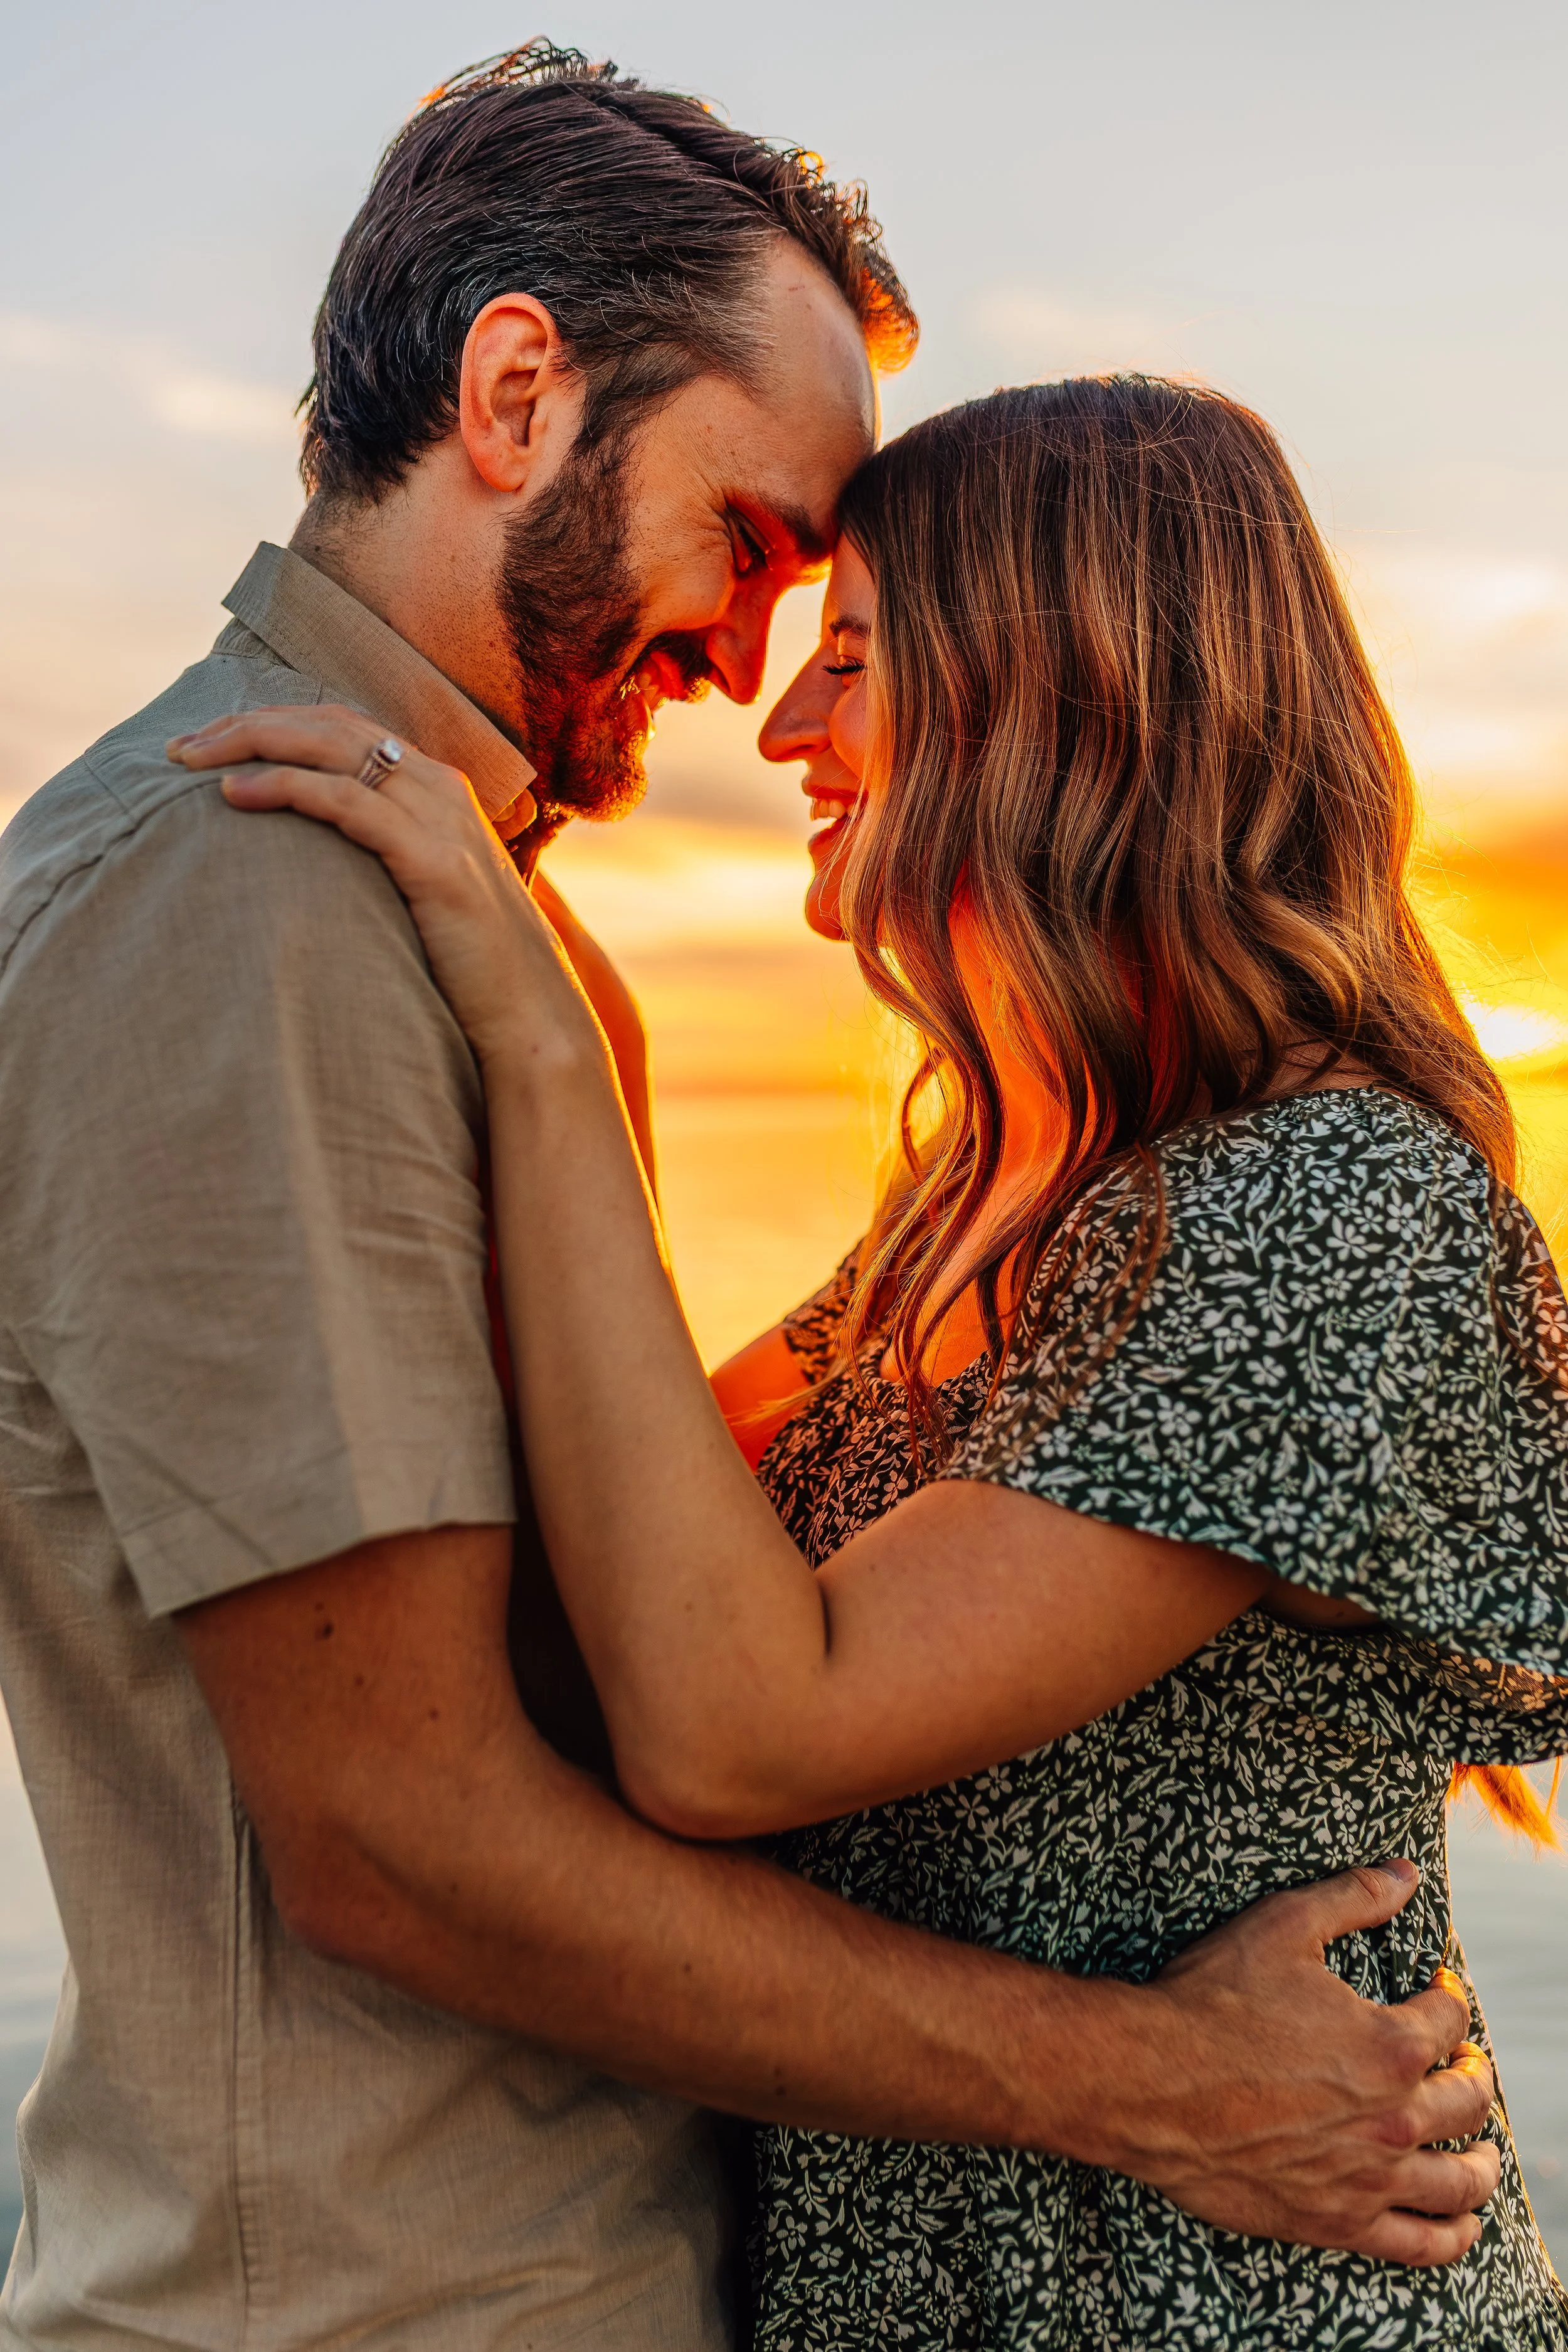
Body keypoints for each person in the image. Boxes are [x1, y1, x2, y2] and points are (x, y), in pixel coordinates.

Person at [0, 40, 1496, 2352]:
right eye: (757, 546)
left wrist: (536, 1027)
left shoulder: (1262, 1206)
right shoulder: (259, 904)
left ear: (1061, 703)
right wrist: (1157, 2085)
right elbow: (448, 1799)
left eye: (843, 624)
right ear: (518, 394)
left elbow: (655, 1639)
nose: (757, 681)